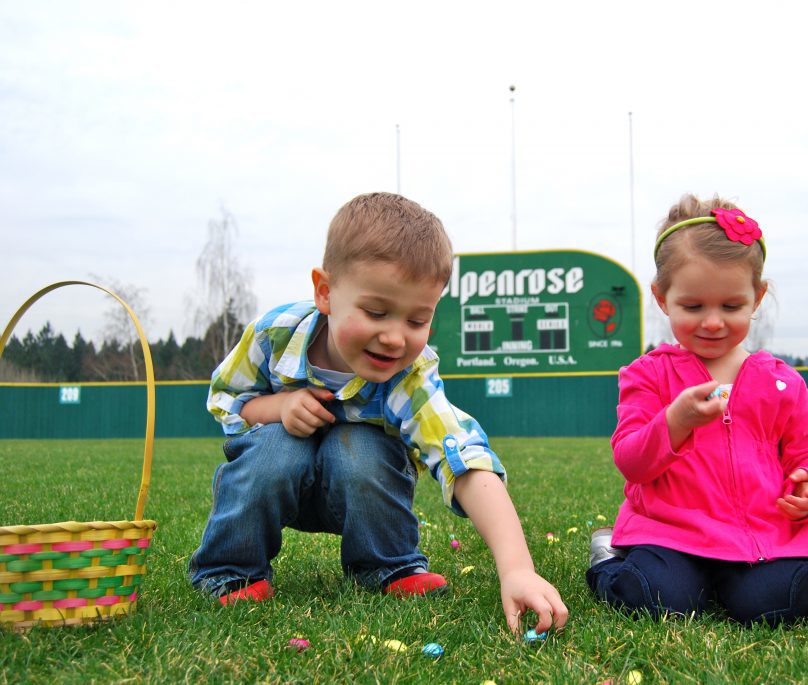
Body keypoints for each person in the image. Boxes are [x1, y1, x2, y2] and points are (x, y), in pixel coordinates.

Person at [189, 192, 568, 635]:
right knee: (276, 446)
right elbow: (225, 398)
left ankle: (386, 566)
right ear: (325, 292)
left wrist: (517, 568)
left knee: (363, 447)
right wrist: (278, 407)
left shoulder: (409, 375)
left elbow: (461, 455)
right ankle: (231, 571)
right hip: (276, 473)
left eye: (416, 320)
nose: (394, 338)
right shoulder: (274, 335)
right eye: (375, 312)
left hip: (358, 485)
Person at [587, 193, 808, 626]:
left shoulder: (781, 381)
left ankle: (750, 582)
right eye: (693, 306)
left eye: (731, 306)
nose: (712, 322)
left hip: (763, 538)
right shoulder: (648, 375)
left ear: (757, 297)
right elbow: (631, 461)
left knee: (782, 600)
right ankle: (608, 555)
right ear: (662, 297)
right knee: (656, 597)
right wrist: (675, 421)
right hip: (671, 535)